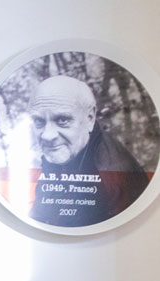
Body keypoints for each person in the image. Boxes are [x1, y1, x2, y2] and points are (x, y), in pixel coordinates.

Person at [26, 74, 149, 227]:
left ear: (90, 118)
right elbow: (39, 211)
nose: (47, 135)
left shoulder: (111, 172)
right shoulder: (68, 151)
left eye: (63, 120)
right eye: (39, 121)